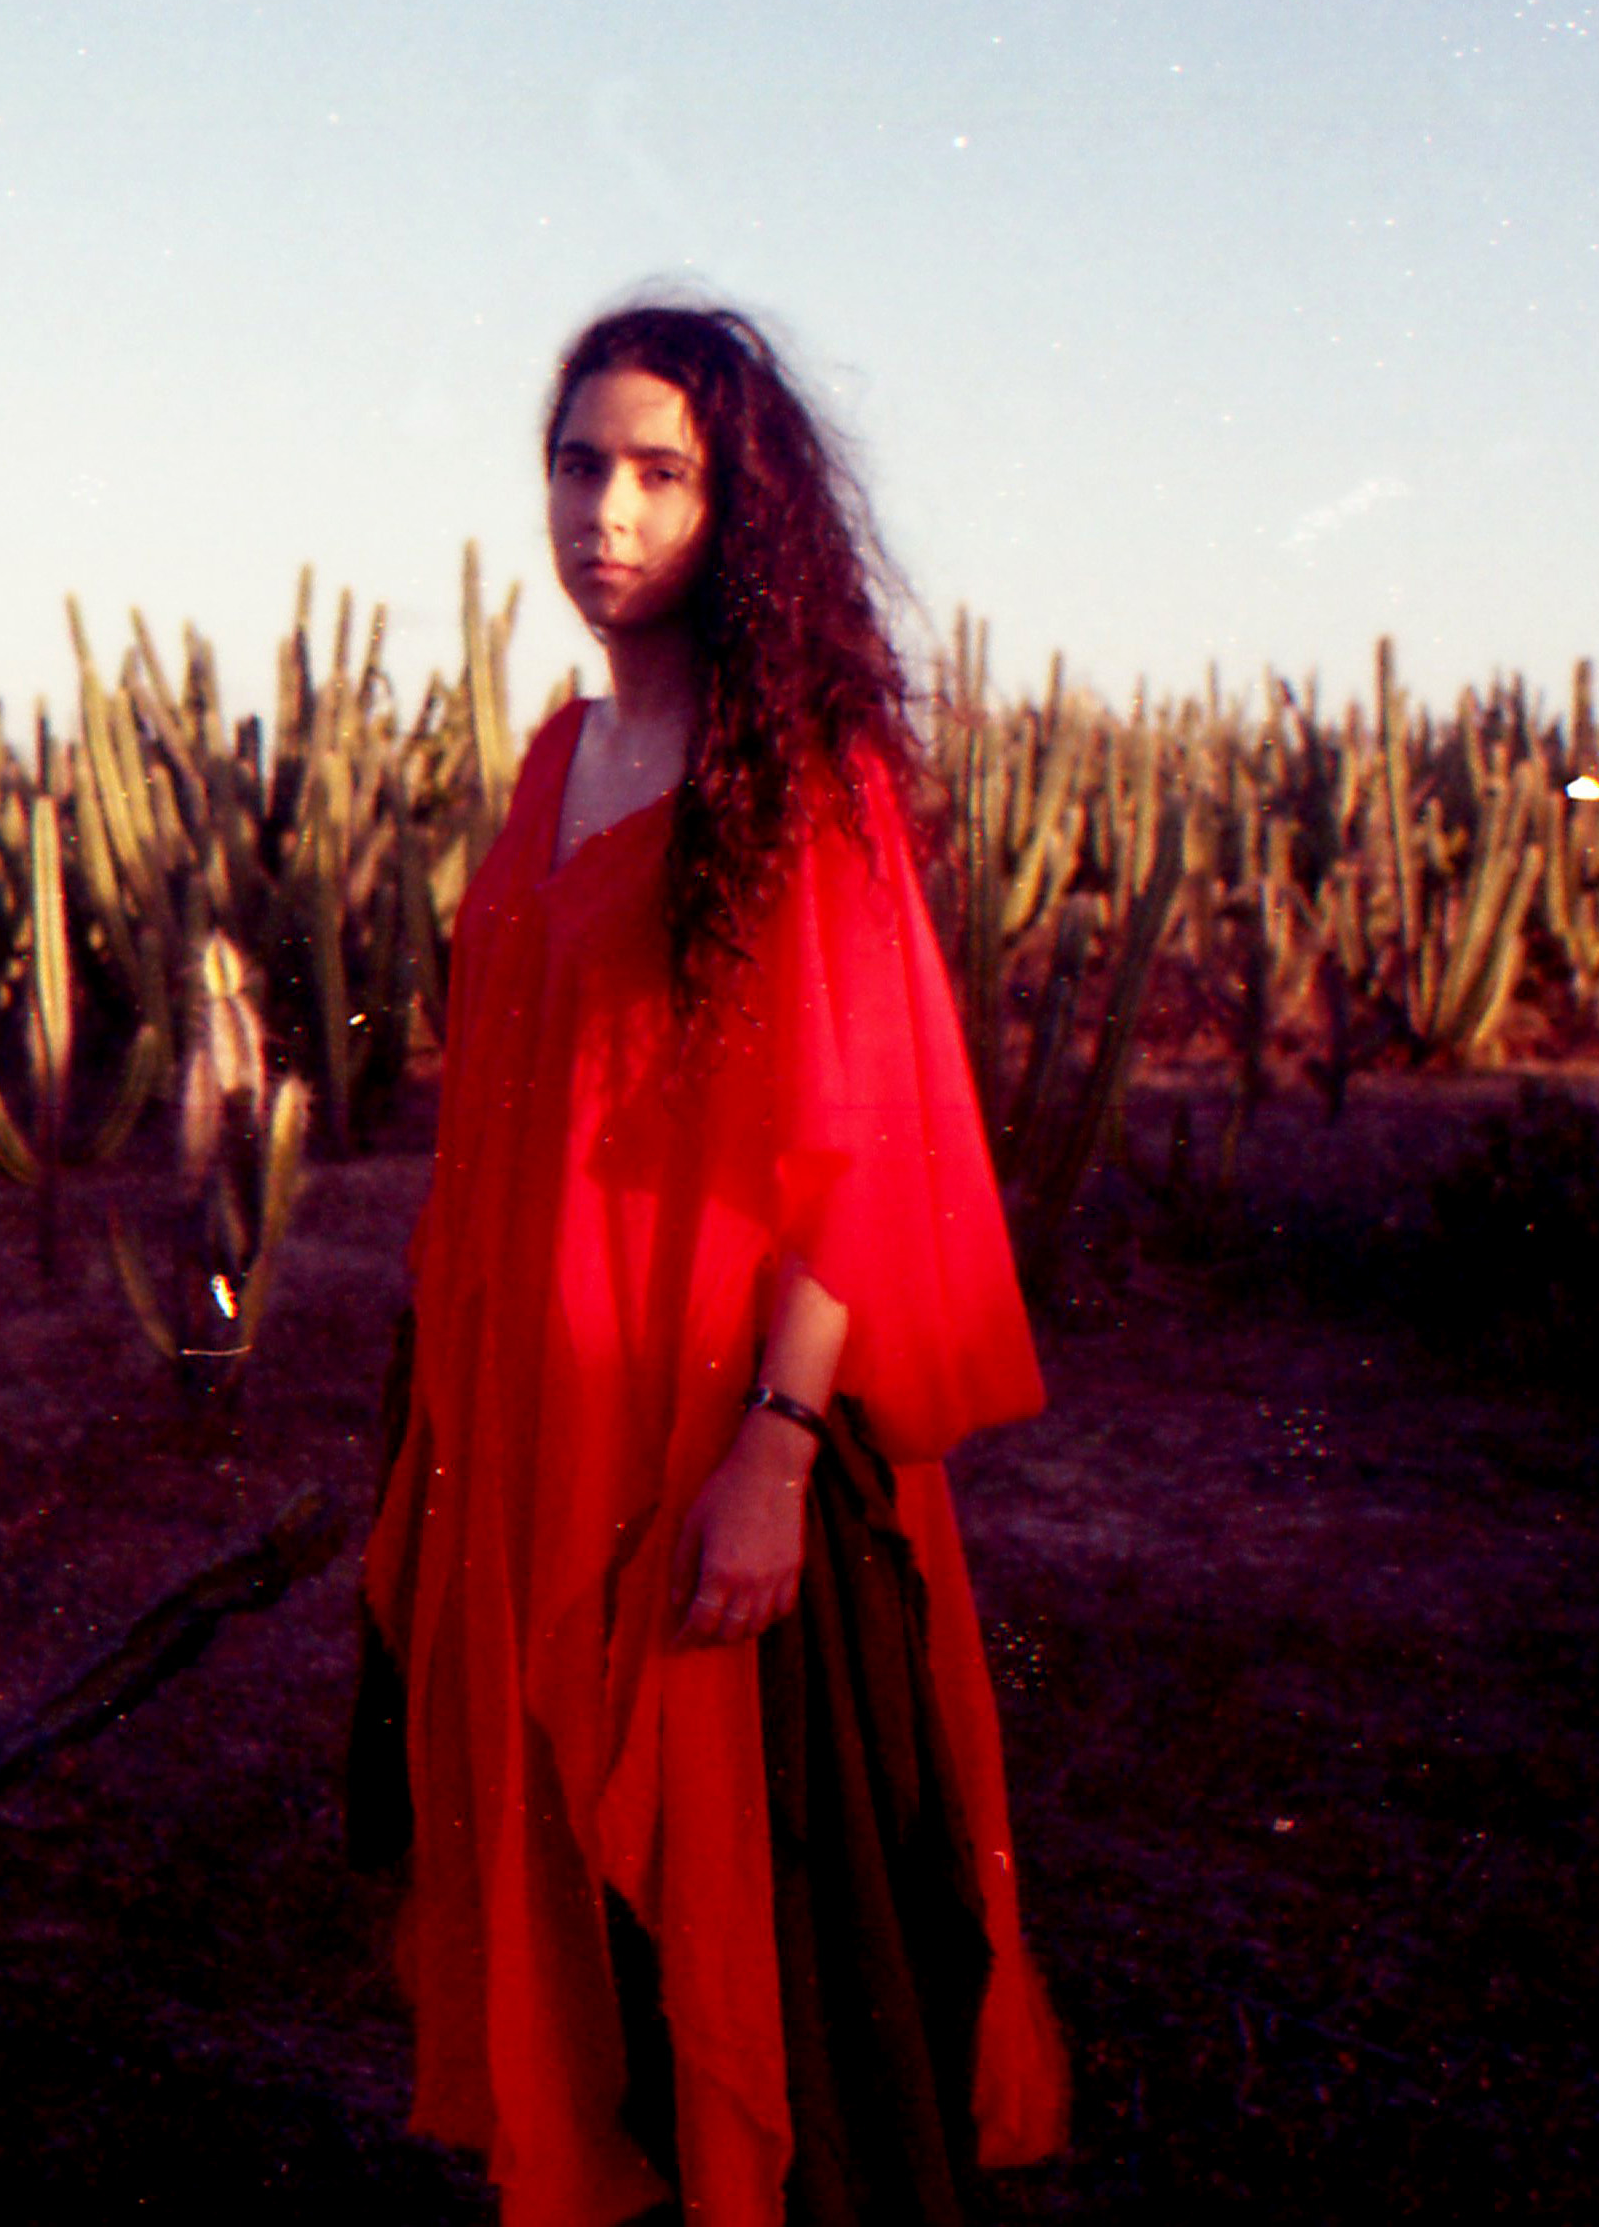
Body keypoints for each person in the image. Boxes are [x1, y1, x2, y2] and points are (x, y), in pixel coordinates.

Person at [357, 292, 1067, 2226]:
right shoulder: (553, 761)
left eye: (659, 473)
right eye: (577, 465)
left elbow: (859, 1145)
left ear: (734, 503)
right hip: (529, 1413)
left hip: (704, 1422)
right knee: (558, 1856)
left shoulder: (807, 778)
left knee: (745, 1904)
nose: (606, 511)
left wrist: (772, 1447)